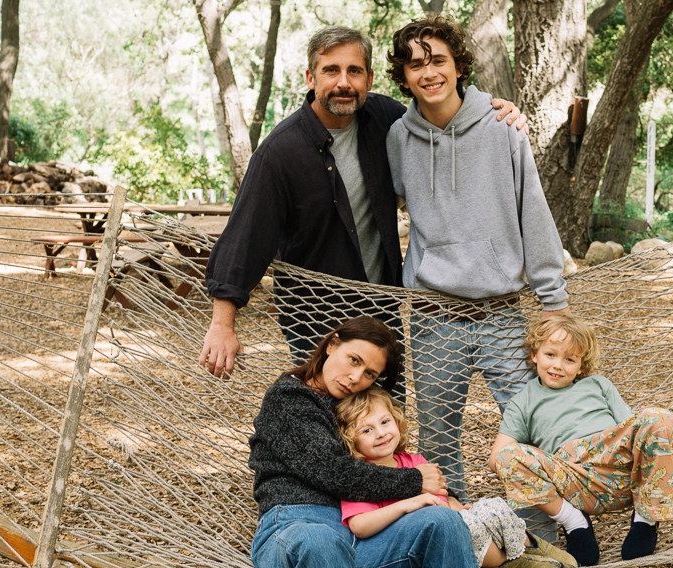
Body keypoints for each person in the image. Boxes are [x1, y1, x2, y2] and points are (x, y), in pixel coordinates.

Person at [200, 25, 525, 377]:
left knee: (385, 415)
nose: (344, 82)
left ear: (369, 79)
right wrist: (222, 325)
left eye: (354, 71)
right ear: (311, 77)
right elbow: (245, 237)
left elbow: (441, 115)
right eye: (331, 70)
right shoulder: (280, 153)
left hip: (381, 310)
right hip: (315, 317)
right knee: (329, 416)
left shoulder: (387, 120)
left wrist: (490, 111)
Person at [384, 15, 570, 501]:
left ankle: (540, 545)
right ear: (403, 76)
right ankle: (464, 538)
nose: (428, 73)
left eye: (438, 61)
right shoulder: (398, 139)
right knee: (440, 442)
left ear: (459, 65)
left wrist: (554, 301)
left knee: (528, 432)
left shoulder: (503, 126)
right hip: (432, 315)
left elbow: (534, 210)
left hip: (502, 314)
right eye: (415, 65)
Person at [247, 316, 483, 568]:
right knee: (320, 541)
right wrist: (417, 481)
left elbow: (388, 459)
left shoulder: (352, 402)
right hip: (293, 529)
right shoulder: (289, 398)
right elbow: (333, 471)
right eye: (354, 360)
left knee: (443, 522)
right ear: (333, 344)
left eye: (370, 373)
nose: (356, 378)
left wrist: (445, 493)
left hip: (359, 540)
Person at [334, 387, 578, 568]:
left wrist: (458, 507)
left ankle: (532, 548)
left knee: (491, 506)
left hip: (449, 522)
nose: (381, 433)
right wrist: (409, 504)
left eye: (385, 422)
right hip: (409, 542)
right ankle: (516, 565)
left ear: (396, 421)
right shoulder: (359, 477)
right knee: (467, 528)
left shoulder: (413, 461)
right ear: (351, 440)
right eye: (367, 430)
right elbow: (360, 526)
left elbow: (443, 496)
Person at [488, 314, 673, 566]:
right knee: (507, 457)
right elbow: (496, 459)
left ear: (581, 366)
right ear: (534, 354)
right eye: (550, 355)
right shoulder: (523, 402)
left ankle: (646, 518)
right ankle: (574, 522)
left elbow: (635, 431)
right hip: (573, 479)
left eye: (569, 359)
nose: (558, 365)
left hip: (621, 471)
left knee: (659, 418)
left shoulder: (598, 385)